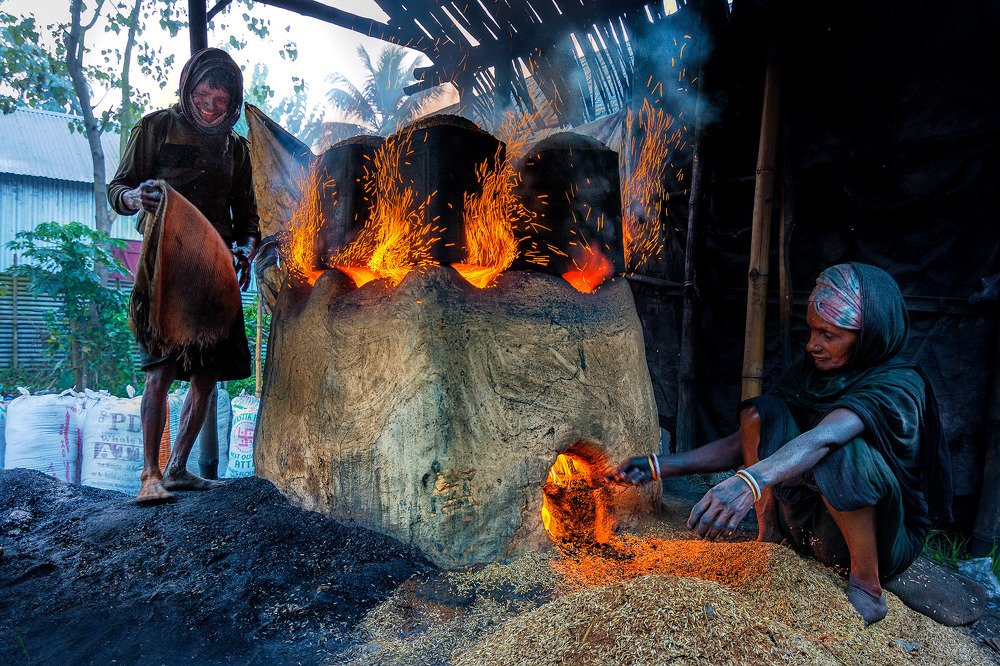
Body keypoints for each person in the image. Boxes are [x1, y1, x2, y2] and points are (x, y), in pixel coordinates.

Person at [614, 263, 953, 625]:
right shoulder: (814, 373)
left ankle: (867, 587)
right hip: (812, 523)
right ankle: (770, 536)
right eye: (811, 330)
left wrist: (749, 482)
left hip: (881, 539)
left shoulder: (899, 384)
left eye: (829, 334)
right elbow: (744, 439)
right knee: (762, 412)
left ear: (870, 336)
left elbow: (826, 438)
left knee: (838, 453)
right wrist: (659, 466)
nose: (812, 345)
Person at [108, 48, 260, 504]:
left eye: (221, 100)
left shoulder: (236, 149)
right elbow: (117, 189)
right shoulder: (155, 128)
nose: (211, 107)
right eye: (203, 96)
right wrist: (136, 197)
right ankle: (149, 473)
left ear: (233, 102)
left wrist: (245, 249)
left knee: (207, 374)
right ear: (188, 89)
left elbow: (248, 217)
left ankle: (177, 469)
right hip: (167, 267)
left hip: (214, 269)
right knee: (161, 368)